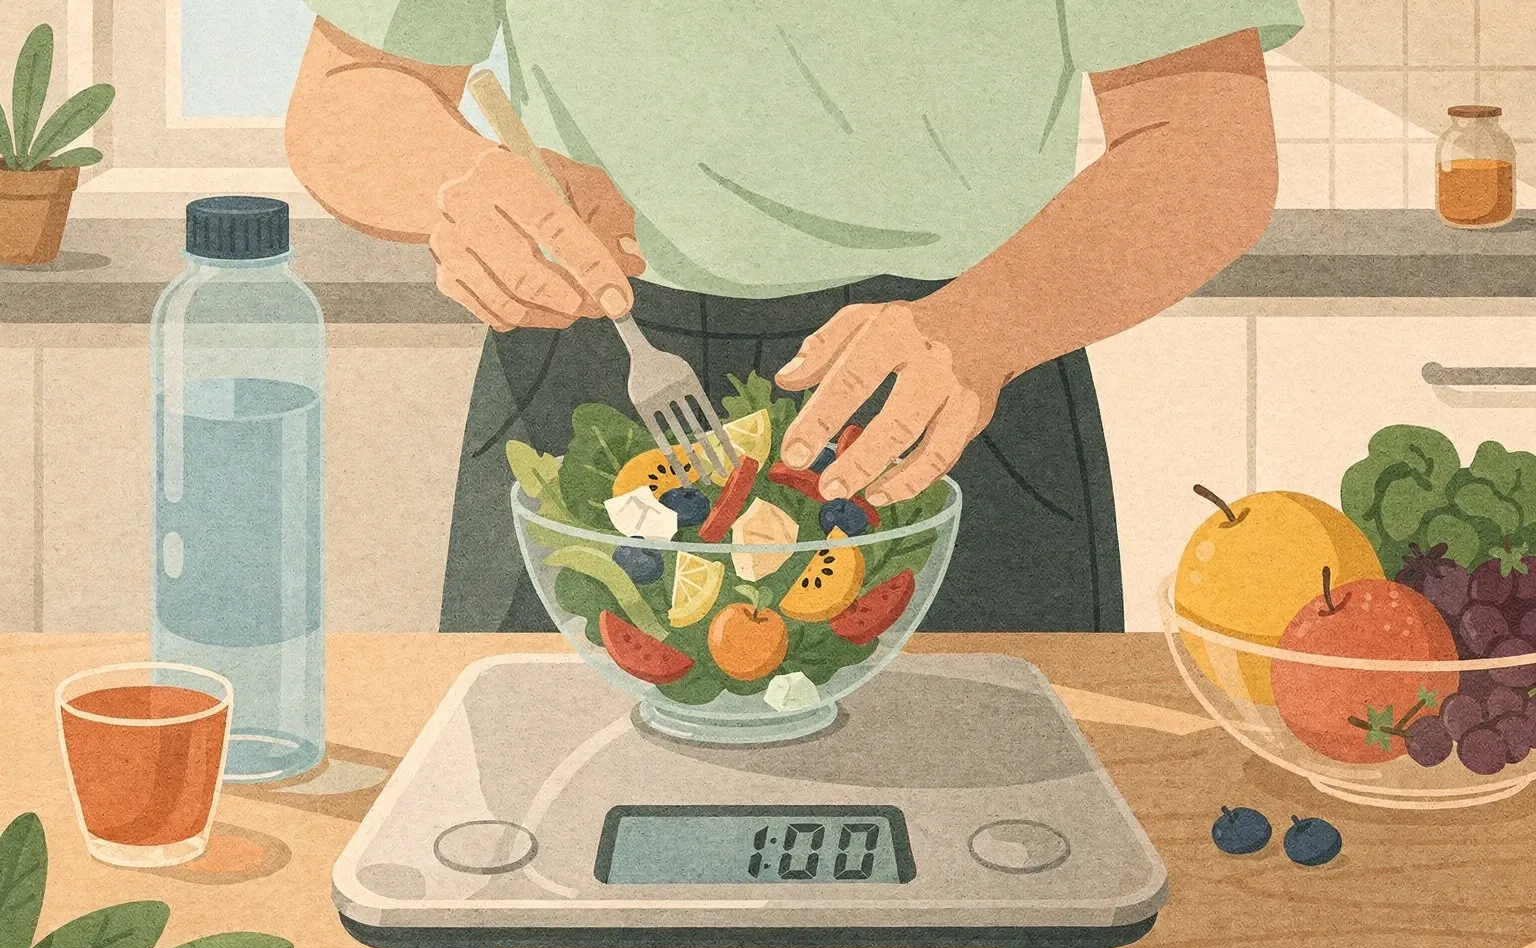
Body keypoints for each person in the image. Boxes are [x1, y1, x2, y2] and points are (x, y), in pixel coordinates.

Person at [285, 4, 1300, 633]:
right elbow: (354, 88)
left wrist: (981, 328)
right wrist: (459, 182)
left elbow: (1207, 145)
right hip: (591, 362)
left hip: (953, 386)